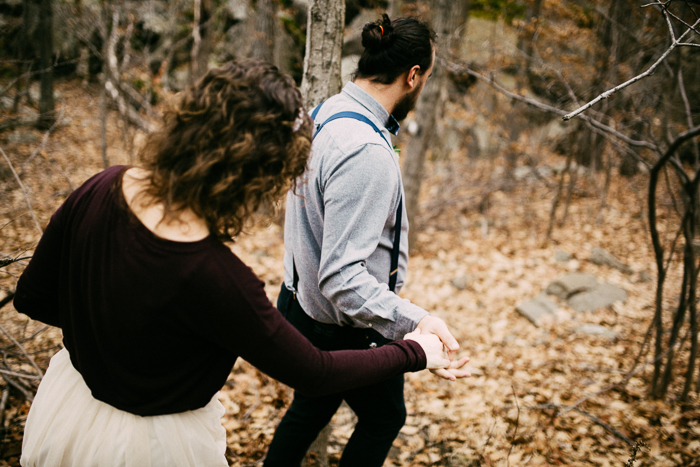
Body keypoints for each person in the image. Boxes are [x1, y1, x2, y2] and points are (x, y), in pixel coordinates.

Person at [12, 59, 465, 467]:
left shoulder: (101, 185)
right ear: (256, 177)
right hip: (153, 446)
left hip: (68, 410)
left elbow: (32, 298)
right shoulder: (217, 276)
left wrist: (102, 337)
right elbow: (314, 371)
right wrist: (417, 350)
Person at [264, 14, 469, 467]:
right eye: (427, 79)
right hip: (343, 327)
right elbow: (341, 277)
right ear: (412, 76)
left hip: (299, 303)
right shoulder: (366, 151)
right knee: (384, 418)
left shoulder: (324, 111)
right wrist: (416, 320)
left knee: (311, 405)